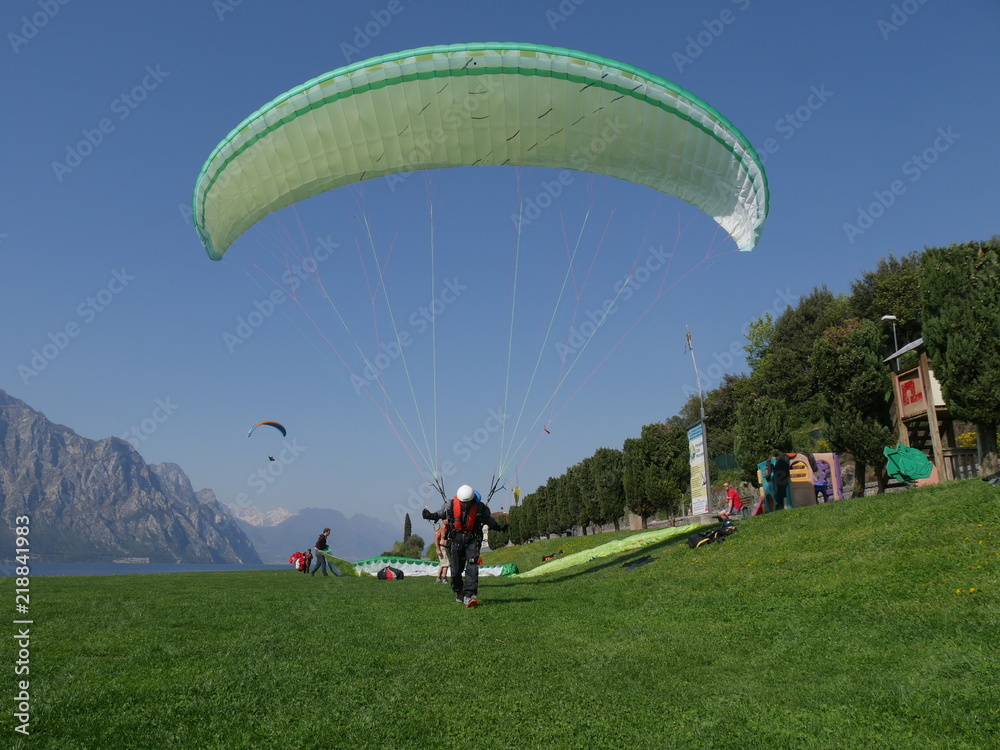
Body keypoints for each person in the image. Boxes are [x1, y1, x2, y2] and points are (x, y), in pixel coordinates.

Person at [422, 484, 508, 607]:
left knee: (472, 565)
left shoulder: (480, 508)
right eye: (462, 503)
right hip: (456, 539)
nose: (465, 505)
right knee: (456, 570)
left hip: (472, 540)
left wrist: (499, 528)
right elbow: (440, 514)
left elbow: (489, 520)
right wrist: (429, 515)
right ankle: (459, 591)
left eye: (467, 503)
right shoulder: (450, 505)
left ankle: (470, 595)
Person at [434, 519, 451, 584]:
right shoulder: (440, 529)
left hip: (446, 547)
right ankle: (444, 578)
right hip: (441, 547)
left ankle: (438, 578)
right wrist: (438, 550)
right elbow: (436, 540)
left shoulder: (448, 528)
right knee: (446, 564)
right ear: (442, 521)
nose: (447, 521)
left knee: (443, 564)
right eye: (445, 519)